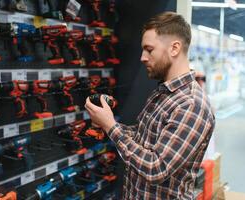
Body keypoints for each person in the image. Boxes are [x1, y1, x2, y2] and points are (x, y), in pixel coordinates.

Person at [85, 12, 215, 200]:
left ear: (174, 48)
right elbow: (141, 139)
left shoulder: (191, 105)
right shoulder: (163, 93)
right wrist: (105, 120)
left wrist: (110, 126)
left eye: (149, 49)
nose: (142, 58)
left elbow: (156, 168)